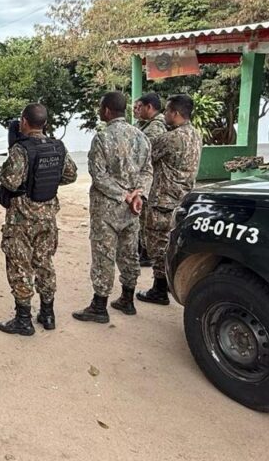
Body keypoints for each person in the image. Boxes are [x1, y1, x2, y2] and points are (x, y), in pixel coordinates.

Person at [0, 103, 78, 336]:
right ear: (45, 123)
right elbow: (70, 175)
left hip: (21, 220)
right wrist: (45, 181)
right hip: (47, 218)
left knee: (20, 266)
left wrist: (8, 175)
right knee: (45, 263)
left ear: (24, 121)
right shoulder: (58, 146)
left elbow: (11, 181)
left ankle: (23, 319)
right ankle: (48, 314)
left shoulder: (20, 149)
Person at [72, 91, 153, 324]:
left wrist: (124, 195)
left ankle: (99, 306)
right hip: (132, 210)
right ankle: (127, 299)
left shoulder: (102, 138)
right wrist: (139, 194)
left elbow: (98, 176)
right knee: (129, 253)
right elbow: (148, 171)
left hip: (107, 209)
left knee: (103, 255)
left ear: (107, 110)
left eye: (100, 107)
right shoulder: (141, 137)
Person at [137, 94, 202, 305]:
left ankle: (159, 289)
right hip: (184, 199)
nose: (164, 114)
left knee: (158, 245)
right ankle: (165, 284)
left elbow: (144, 155)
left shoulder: (171, 138)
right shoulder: (195, 134)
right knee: (173, 243)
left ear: (175, 113)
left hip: (164, 200)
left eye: (167, 110)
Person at [133, 92, 166, 267]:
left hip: (152, 180)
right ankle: (143, 249)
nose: (136, 111)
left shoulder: (156, 127)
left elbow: (145, 155)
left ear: (149, 107)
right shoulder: (146, 125)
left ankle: (146, 253)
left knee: (146, 218)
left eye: (139, 107)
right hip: (148, 179)